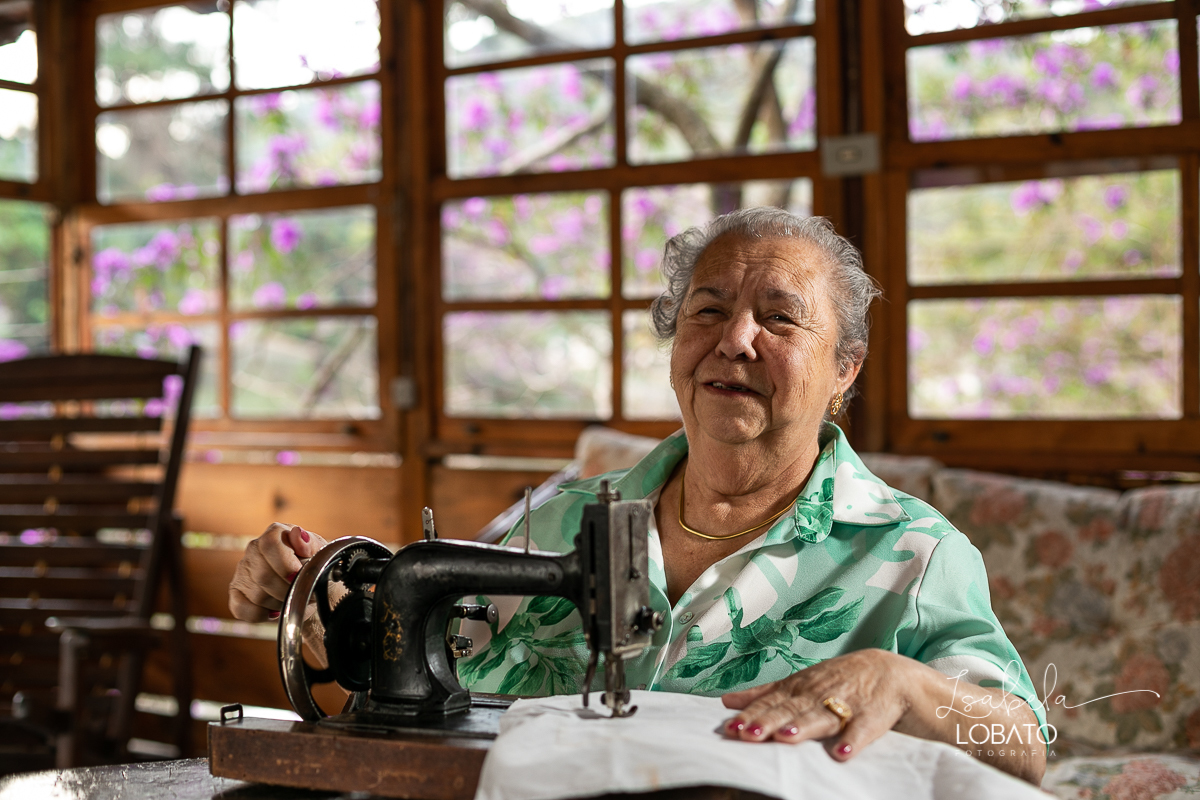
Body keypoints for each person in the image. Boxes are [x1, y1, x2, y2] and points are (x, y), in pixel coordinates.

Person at [229, 208, 1047, 785]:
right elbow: (416, 676)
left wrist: (903, 684)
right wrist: (305, 594)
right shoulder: (557, 520)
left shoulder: (913, 555)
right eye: (709, 310)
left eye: (780, 319)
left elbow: (1021, 747)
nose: (734, 340)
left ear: (845, 370)